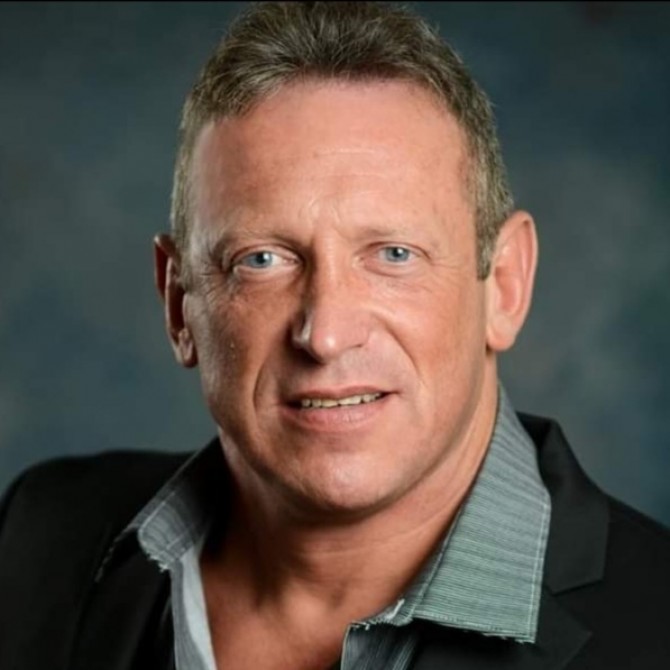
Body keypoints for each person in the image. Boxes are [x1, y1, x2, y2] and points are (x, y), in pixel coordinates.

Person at [1, 2, 668, 669]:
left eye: (394, 254)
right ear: (179, 304)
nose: (325, 335)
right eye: (262, 259)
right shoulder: (37, 541)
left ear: (506, 284)